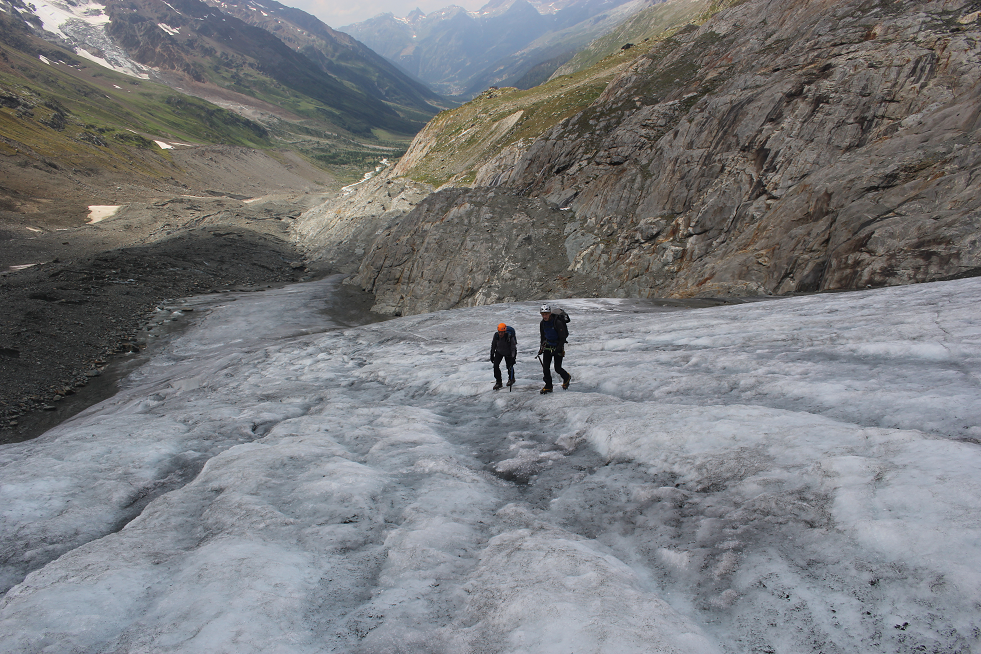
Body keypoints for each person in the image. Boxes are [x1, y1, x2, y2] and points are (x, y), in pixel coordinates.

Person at [537, 304, 570, 394]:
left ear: (550, 313)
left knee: (557, 368)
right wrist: (541, 348)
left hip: (558, 345)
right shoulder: (542, 323)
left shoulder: (557, 322)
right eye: (543, 314)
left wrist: (558, 349)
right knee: (545, 368)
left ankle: (566, 377)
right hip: (548, 346)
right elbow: (543, 337)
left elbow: (562, 338)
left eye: (546, 314)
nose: (545, 316)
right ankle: (548, 386)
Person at [490, 322, 517, 390]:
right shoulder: (496, 336)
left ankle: (511, 379)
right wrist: (492, 354)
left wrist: (513, 358)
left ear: (505, 331)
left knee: (509, 366)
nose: (500, 334)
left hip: (508, 352)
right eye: (499, 332)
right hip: (499, 352)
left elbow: (513, 348)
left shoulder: (509, 336)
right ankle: (498, 382)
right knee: (495, 366)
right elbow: (493, 345)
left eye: (502, 332)